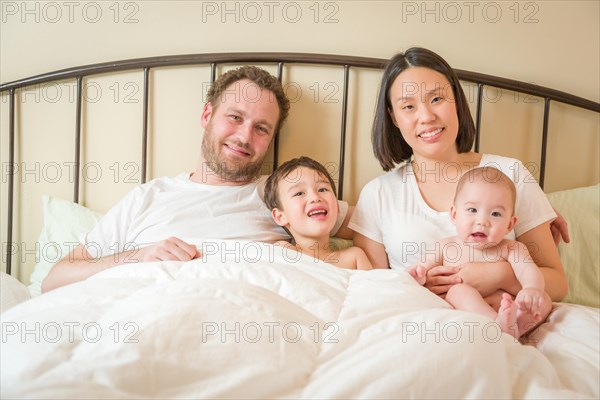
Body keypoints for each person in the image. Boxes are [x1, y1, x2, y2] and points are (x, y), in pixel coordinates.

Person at [42, 66, 353, 292]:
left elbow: (372, 225)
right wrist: (136, 257)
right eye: (235, 117)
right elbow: (54, 280)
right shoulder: (148, 197)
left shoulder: (285, 194)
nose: (244, 136)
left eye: (261, 128)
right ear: (207, 116)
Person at [349, 47, 568, 306]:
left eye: (437, 99)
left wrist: (499, 274)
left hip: (508, 324)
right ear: (393, 117)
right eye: (408, 106)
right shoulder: (378, 194)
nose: (426, 117)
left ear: (457, 99)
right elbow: (370, 290)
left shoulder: (511, 174)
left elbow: (558, 284)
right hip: (417, 327)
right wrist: (419, 287)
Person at [409, 167, 550, 338]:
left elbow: (528, 270)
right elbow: (421, 269)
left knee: (544, 300)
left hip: (505, 305)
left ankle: (516, 326)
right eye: (472, 210)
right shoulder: (445, 246)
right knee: (457, 291)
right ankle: (496, 325)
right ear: (454, 215)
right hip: (468, 309)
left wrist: (532, 289)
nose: (482, 221)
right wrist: (418, 276)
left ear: (510, 225)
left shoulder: (512, 248)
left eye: (495, 214)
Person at [264, 156, 372, 270]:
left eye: (322, 189)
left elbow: (372, 286)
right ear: (280, 217)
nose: (315, 197)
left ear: (337, 207)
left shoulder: (354, 257)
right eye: (299, 193)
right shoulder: (284, 251)